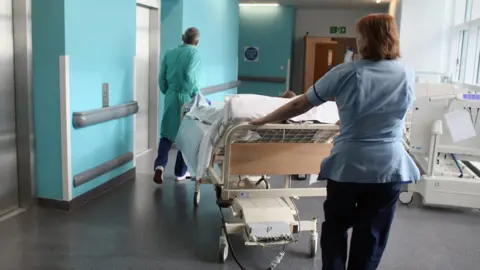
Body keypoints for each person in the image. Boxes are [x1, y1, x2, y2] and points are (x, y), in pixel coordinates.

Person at [250, 14, 420, 270]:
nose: (357, 40)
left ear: (368, 39)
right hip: (389, 167)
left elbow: (300, 103)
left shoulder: (345, 72)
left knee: (336, 229)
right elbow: (390, 111)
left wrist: (265, 119)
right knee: (372, 236)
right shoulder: (407, 74)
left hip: (349, 166)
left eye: (360, 35)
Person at [153, 27, 201, 185]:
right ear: (197, 42)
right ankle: (180, 172)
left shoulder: (169, 53)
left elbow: (161, 79)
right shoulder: (194, 53)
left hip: (171, 96)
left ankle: (159, 166)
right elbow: (190, 76)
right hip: (186, 97)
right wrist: (194, 94)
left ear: (182, 38)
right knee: (185, 135)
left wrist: (169, 92)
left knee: (166, 133)